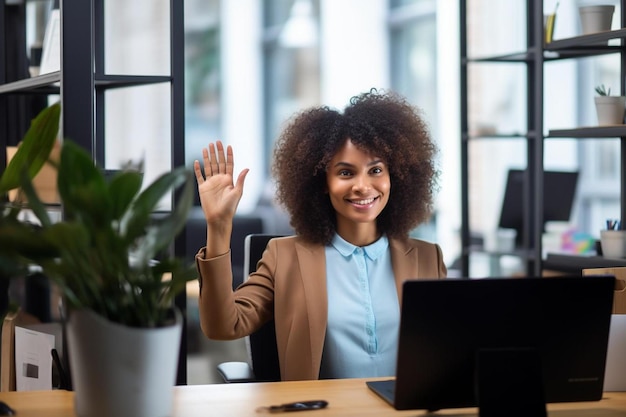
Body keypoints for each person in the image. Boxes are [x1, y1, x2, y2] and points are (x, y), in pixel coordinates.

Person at [194, 89, 447, 381]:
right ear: (322, 182)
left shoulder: (428, 258)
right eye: (346, 173)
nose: (363, 186)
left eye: (375, 170)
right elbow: (222, 326)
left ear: (396, 176)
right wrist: (219, 225)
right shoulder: (285, 257)